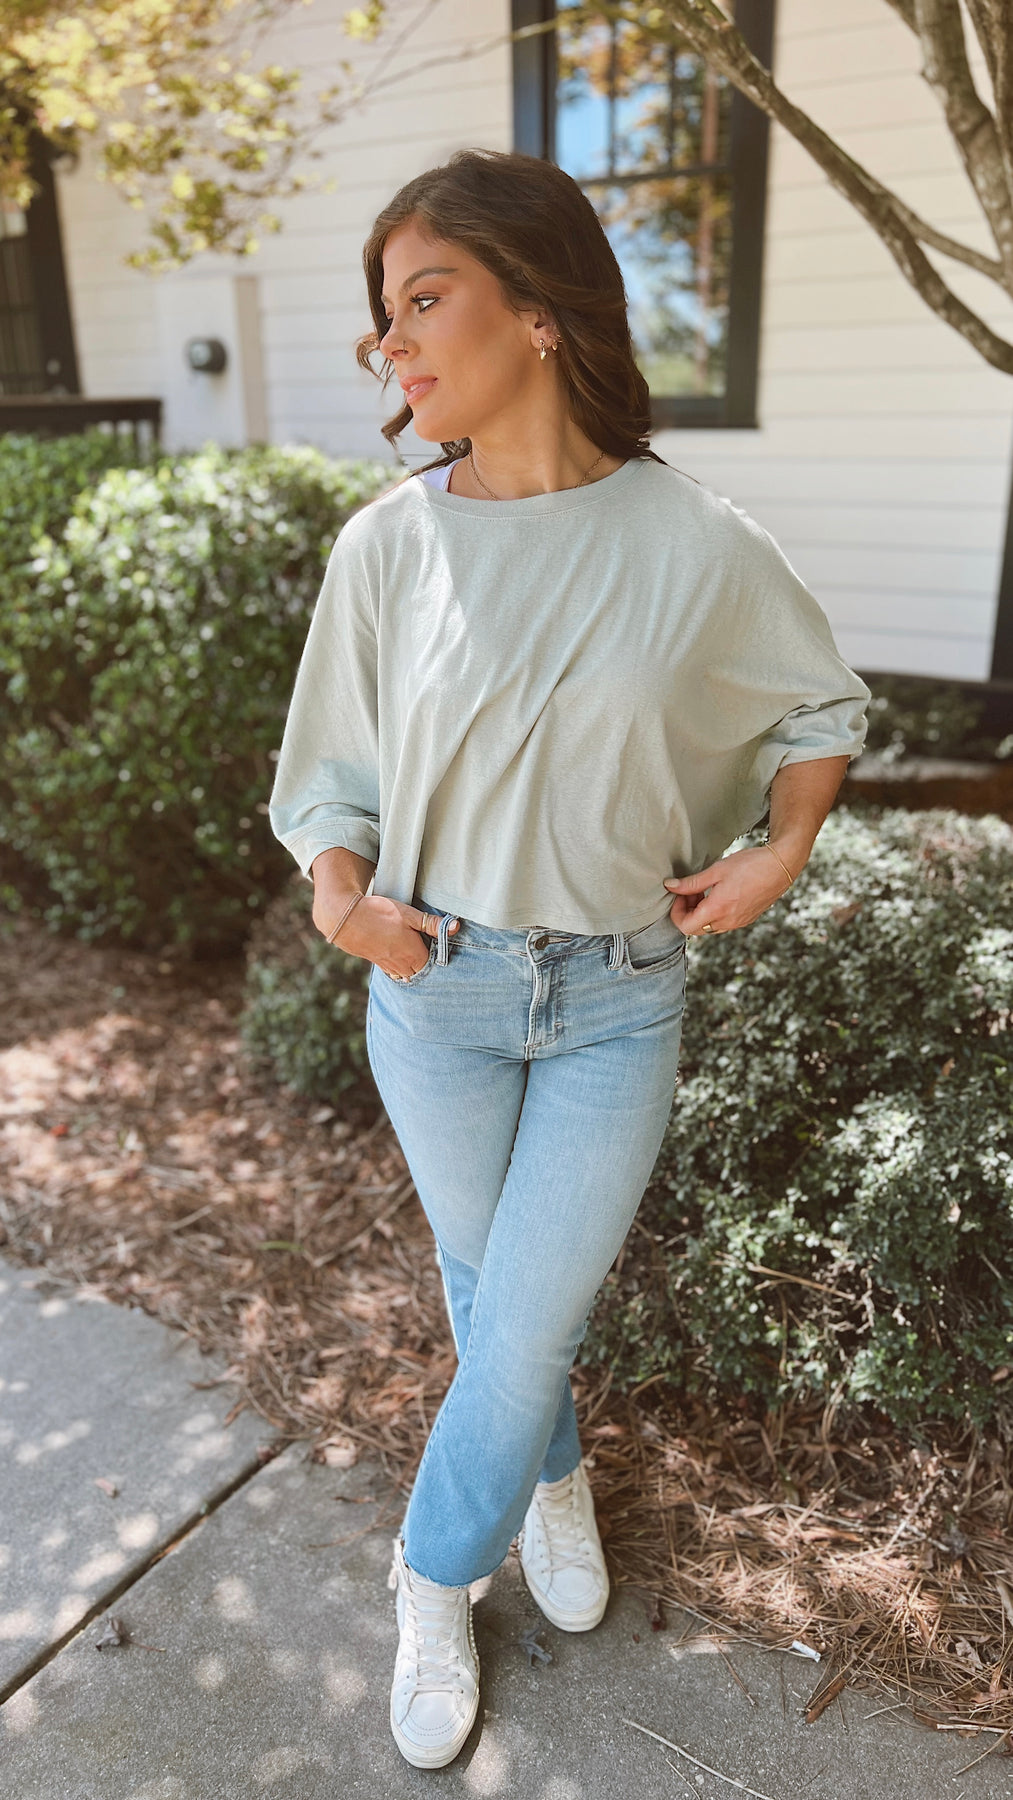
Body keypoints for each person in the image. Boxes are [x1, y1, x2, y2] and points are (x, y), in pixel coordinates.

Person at [268, 147, 869, 1770]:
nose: (392, 342)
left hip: (614, 999)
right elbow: (325, 779)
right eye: (382, 315)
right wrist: (340, 902)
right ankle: (551, 1477)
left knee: (522, 1317)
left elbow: (818, 709)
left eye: (425, 298)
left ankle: (427, 1576)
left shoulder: (697, 542)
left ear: (538, 311)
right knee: (506, 1313)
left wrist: (779, 849)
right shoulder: (387, 547)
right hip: (437, 991)